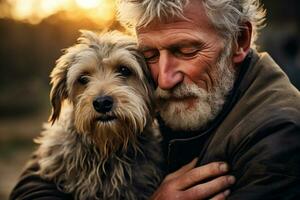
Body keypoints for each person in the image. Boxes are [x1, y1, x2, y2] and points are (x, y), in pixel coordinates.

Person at [9, 0, 300, 199]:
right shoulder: (165, 92)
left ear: (239, 40)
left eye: (186, 50)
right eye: (149, 55)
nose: (162, 79)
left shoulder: (279, 137)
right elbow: (31, 186)